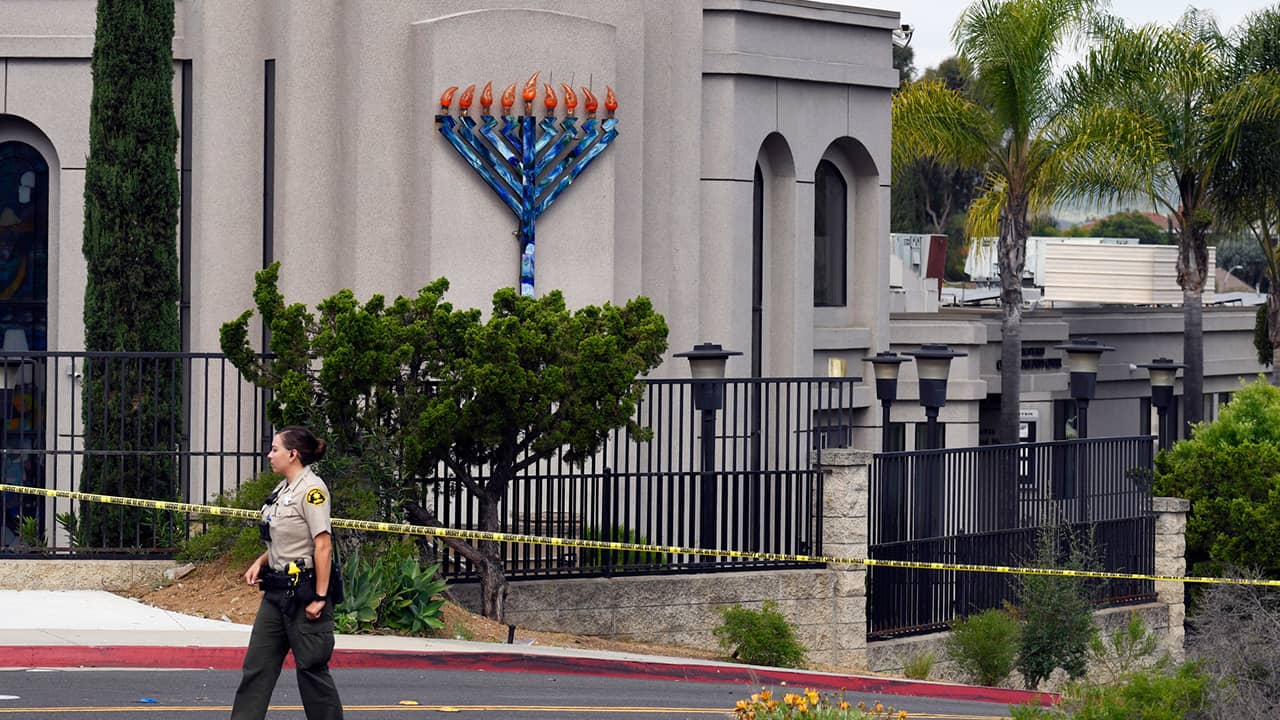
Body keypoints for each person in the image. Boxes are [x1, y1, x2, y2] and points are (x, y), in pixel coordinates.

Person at [231, 426, 343, 720]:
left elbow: (322, 545)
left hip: (305, 593)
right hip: (276, 592)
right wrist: (262, 560)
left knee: (311, 671)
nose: (270, 455)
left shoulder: (313, 491)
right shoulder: (283, 490)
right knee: (256, 668)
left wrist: (320, 596)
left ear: (293, 454)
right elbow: (288, 538)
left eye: (275, 449)